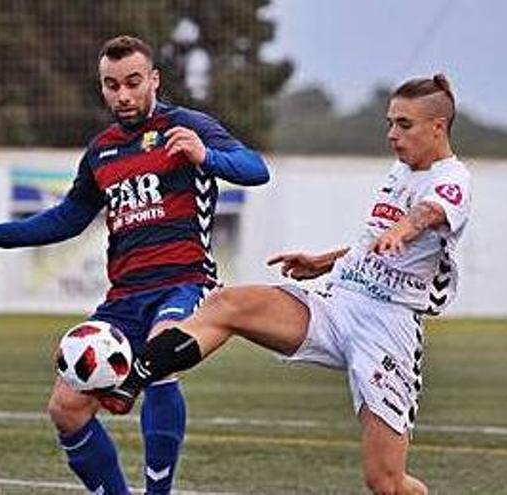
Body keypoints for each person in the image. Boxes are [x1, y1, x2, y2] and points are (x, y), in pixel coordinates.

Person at [100, 74, 471, 495]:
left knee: (386, 483)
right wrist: (325, 261)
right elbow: (375, 243)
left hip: (387, 329)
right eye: (390, 122)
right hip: (338, 304)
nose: (392, 134)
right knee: (227, 305)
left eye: (404, 125)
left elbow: (428, 214)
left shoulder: (453, 178)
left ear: (437, 127)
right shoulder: (400, 169)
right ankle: (134, 376)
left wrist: (403, 229)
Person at [0, 35, 268, 494]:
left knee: (162, 354)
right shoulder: (102, 151)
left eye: (133, 83)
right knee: (66, 408)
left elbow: (256, 168)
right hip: (123, 299)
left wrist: (206, 156)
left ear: (154, 80)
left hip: (185, 283)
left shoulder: (187, 127)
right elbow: (68, 218)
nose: (123, 95)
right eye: (111, 85)